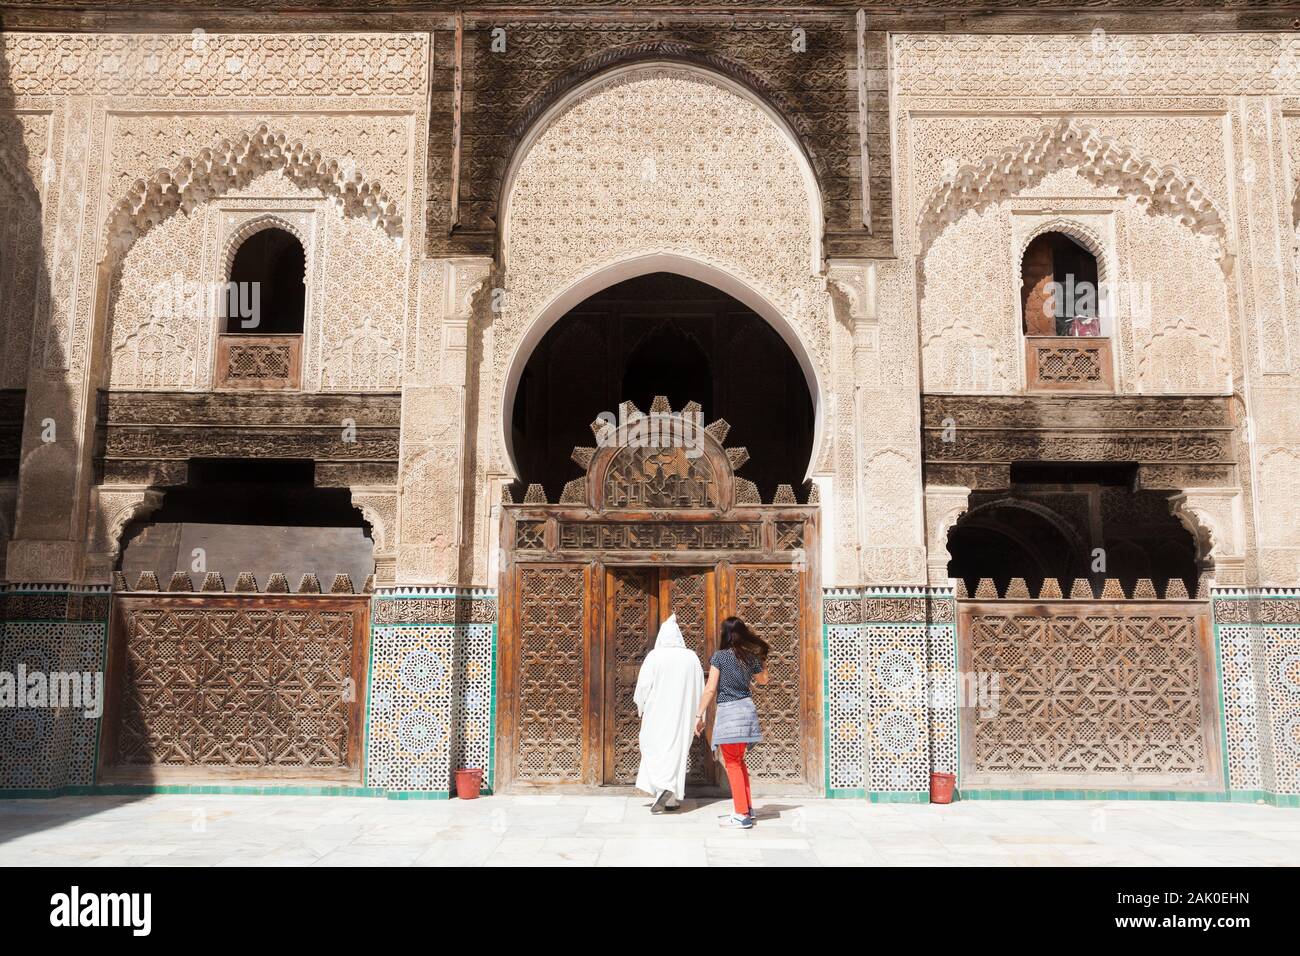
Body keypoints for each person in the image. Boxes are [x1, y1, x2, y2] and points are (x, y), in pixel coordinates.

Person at [695, 616, 770, 829]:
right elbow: (763, 681)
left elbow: (710, 689)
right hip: (746, 711)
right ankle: (747, 808)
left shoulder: (719, 657)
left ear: (725, 634)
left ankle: (741, 815)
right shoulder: (750, 658)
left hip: (730, 715)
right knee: (739, 761)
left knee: (733, 764)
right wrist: (762, 662)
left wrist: (698, 715)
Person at [633, 614, 706, 814]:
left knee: (654, 747)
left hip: (657, 713)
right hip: (683, 715)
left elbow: (643, 688)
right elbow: (701, 688)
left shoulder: (655, 656)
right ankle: (670, 799)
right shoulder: (691, 657)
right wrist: (700, 715)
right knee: (676, 752)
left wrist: (641, 707)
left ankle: (663, 790)